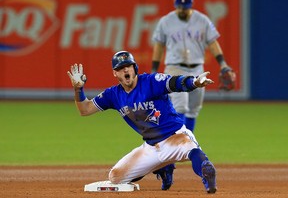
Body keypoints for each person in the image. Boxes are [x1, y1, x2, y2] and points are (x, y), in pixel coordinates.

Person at [67, 51, 217, 193]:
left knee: (194, 152)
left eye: (128, 66)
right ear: (115, 73)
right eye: (120, 68)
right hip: (151, 147)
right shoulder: (113, 94)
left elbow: (175, 82)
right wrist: (78, 89)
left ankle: (208, 178)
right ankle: (164, 168)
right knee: (115, 177)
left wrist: (194, 82)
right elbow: (85, 109)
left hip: (175, 137)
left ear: (134, 68)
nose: (125, 70)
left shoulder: (151, 81)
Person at [151, 0, 234, 132]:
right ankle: (178, 142)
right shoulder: (165, 21)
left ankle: (188, 142)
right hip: (174, 67)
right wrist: (154, 70)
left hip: (197, 69)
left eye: (185, 6)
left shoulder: (202, 20)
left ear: (191, 4)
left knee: (193, 109)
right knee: (180, 106)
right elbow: (159, 46)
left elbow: (213, 43)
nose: (182, 9)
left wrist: (223, 64)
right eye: (180, 6)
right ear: (175, 4)